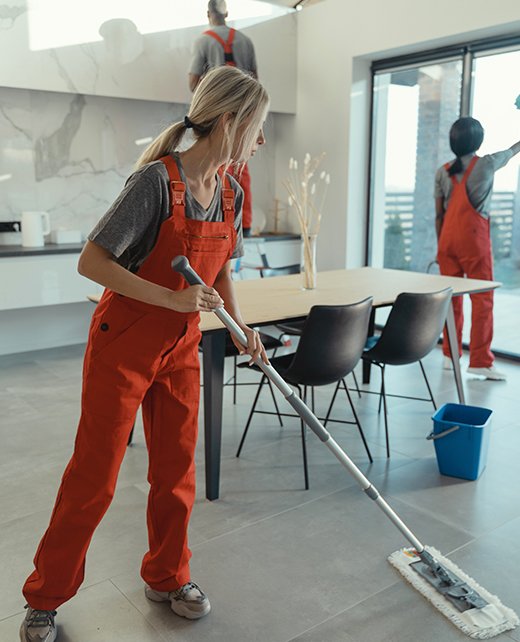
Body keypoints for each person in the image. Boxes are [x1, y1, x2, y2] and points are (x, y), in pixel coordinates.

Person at [19, 65, 269, 642]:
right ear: (229, 122)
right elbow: (92, 263)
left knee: (176, 472)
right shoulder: (156, 183)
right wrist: (171, 298)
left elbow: (221, 266)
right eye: (255, 128)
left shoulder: (229, 192)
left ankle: (168, 575)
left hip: (181, 348)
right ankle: (46, 596)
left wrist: (237, 326)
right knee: (95, 477)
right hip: (125, 342)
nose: (259, 141)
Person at [435, 116, 520, 381]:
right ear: (478, 140)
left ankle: (450, 355)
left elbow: (439, 214)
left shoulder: (443, 170)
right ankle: (480, 361)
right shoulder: (486, 164)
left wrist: (442, 246)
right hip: (473, 239)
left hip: (447, 239)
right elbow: (512, 150)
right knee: (482, 299)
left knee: (452, 297)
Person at [189, 0, 258, 236]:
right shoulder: (246, 41)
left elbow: (193, 83)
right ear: (227, 13)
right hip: (246, 114)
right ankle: (243, 226)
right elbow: (255, 83)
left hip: (217, 113)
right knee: (240, 171)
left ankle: (216, 224)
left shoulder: (203, 40)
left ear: (208, 14)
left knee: (216, 169)